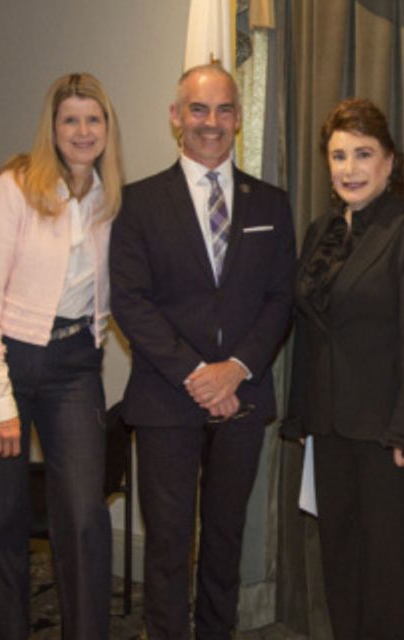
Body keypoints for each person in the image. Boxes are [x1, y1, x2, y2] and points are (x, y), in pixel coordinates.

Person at [109, 63, 295, 639]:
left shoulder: (270, 203)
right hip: (167, 399)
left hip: (242, 397)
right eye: (198, 109)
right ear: (175, 117)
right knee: (167, 543)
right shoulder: (138, 202)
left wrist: (235, 370)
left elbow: (281, 298)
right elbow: (130, 302)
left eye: (223, 110)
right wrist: (197, 374)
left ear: (239, 118)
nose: (210, 123)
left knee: (224, 539)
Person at [0, 72, 123, 639]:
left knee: (83, 516)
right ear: (51, 127)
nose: (82, 130)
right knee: (2, 520)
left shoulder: (109, 197)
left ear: (106, 128)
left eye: (92, 119)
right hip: (2, 360)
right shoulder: (13, 188)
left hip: (74, 367)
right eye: (69, 119)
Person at [283, 98, 404, 639]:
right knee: (340, 561)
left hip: (391, 435)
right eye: (338, 156)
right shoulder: (322, 231)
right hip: (331, 427)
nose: (349, 169)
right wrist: (305, 418)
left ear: (390, 161)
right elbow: (314, 331)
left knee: (391, 572)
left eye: (363, 154)